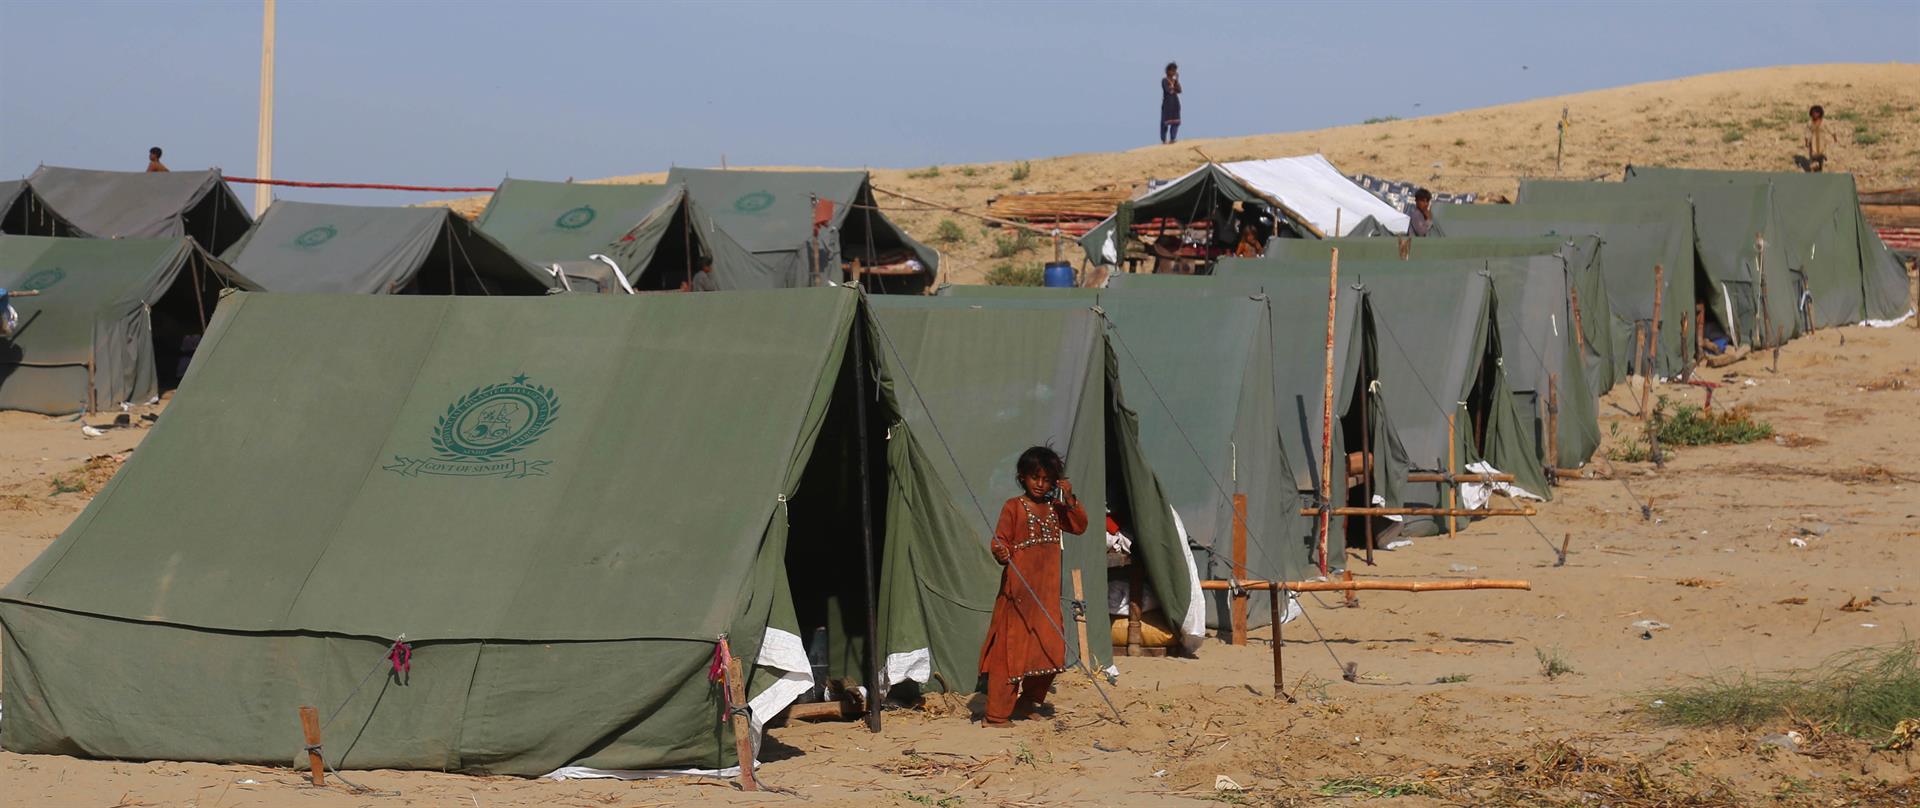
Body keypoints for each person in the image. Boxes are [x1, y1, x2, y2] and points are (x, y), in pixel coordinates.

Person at [979, 446, 1088, 727]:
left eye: (1047, 479)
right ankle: (996, 715)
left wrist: (1070, 496)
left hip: (1046, 595)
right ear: (1022, 478)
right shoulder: (1013, 506)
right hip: (1018, 595)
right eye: (1034, 478)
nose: (1040, 485)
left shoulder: (1056, 509)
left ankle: (1026, 703)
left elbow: (1079, 526)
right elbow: (999, 540)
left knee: (1049, 649)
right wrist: (1001, 551)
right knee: (1011, 651)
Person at [1802, 105, 1829, 173]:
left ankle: (1820, 168)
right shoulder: (1810, 123)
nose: (1815, 115)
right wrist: (1806, 141)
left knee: (1821, 156)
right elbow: (1807, 133)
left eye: (1817, 113)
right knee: (1813, 157)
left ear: (1820, 114)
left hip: (1822, 143)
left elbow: (1830, 129)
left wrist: (1834, 136)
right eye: (1813, 113)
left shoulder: (1824, 122)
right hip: (1813, 142)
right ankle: (1813, 170)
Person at [1159, 63, 1182, 145]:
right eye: (1172, 71)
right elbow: (1168, 90)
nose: (1174, 72)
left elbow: (1179, 90)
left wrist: (1177, 81)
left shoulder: (1175, 81)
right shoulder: (1164, 80)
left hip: (1175, 104)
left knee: (1176, 122)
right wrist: (1173, 87)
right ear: (1168, 71)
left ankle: (1172, 138)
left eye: (1175, 71)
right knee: (1165, 123)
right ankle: (1163, 140)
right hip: (1167, 104)